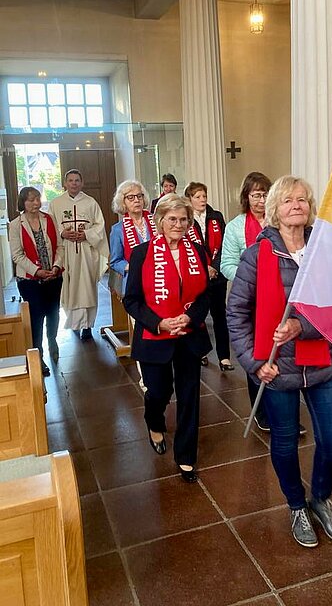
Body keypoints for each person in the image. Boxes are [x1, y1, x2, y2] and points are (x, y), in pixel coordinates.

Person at [227, 175, 332, 548]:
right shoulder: (256, 255)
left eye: (303, 200)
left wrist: (301, 325)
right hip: (277, 365)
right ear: (274, 211)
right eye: (288, 201)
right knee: (283, 441)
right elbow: (237, 313)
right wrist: (252, 362)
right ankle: (297, 506)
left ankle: (322, 499)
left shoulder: (324, 253)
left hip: (322, 360)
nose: (297, 205)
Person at [123, 193, 211, 483]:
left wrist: (190, 317)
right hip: (154, 336)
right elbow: (132, 300)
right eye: (172, 219)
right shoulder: (142, 253)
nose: (178, 224)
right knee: (158, 392)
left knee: (189, 397)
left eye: (183, 219)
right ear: (159, 221)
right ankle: (154, 421)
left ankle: (186, 456)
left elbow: (205, 295)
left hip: (188, 336)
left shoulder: (198, 251)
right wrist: (159, 323)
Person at [221, 171, 303, 433]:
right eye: (256, 194)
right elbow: (226, 264)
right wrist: (254, 279)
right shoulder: (235, 227)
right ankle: (264, 413)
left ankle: (286, 415)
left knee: (286, 357)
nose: (260, 199)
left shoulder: (283, 222)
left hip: (286, 301)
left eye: (265, 194)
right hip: (255, 301)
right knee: (258, 354)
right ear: (247, 197)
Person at [48, 169, 109, 340]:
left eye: (77, 180)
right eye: (70, 180)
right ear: (65, 183)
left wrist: (86, 235)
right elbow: (50, 226)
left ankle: (88, 326)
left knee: (87, 287)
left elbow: (100, 225)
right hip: (66, 251)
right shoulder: (56, 203)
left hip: (86, 252)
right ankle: (74, 323)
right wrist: (62, 233)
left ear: (82, 183)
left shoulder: (91, 203)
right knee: (70, 288)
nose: (74, 183)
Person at [9, 187, 64, 375]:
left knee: (53, 312)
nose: (35, 203)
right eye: (31, 200)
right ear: (22, 203)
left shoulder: (48, 219)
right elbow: (17, 255)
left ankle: (53, 340)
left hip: (54, 276)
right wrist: (38, 271)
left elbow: (60, 246)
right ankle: (38, 356)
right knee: (37, 316)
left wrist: (56, 266)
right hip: (30, 281)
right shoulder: (16, 225)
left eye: (37, 199)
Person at [184, 181, 233, 371]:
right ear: (190, 199)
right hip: (198, 276)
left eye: (204, 196)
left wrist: (214, 266)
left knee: (220, 316)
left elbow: (225, 244)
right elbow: (188, 248)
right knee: (198, 316)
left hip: (217, 275)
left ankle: (224, 357)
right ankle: (201, 352)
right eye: (197, 197)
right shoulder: (186, 219)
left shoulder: (216, 216)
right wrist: (205, 268)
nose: (202, 200)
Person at [109, 180, 157, 293]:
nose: (136, 200)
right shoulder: (117, 230)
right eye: (131, 197)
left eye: (139, 196)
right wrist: (132, 266)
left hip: (159, 278)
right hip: (135, 281)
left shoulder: (157, 221)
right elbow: (115, 262)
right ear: (123, 202)